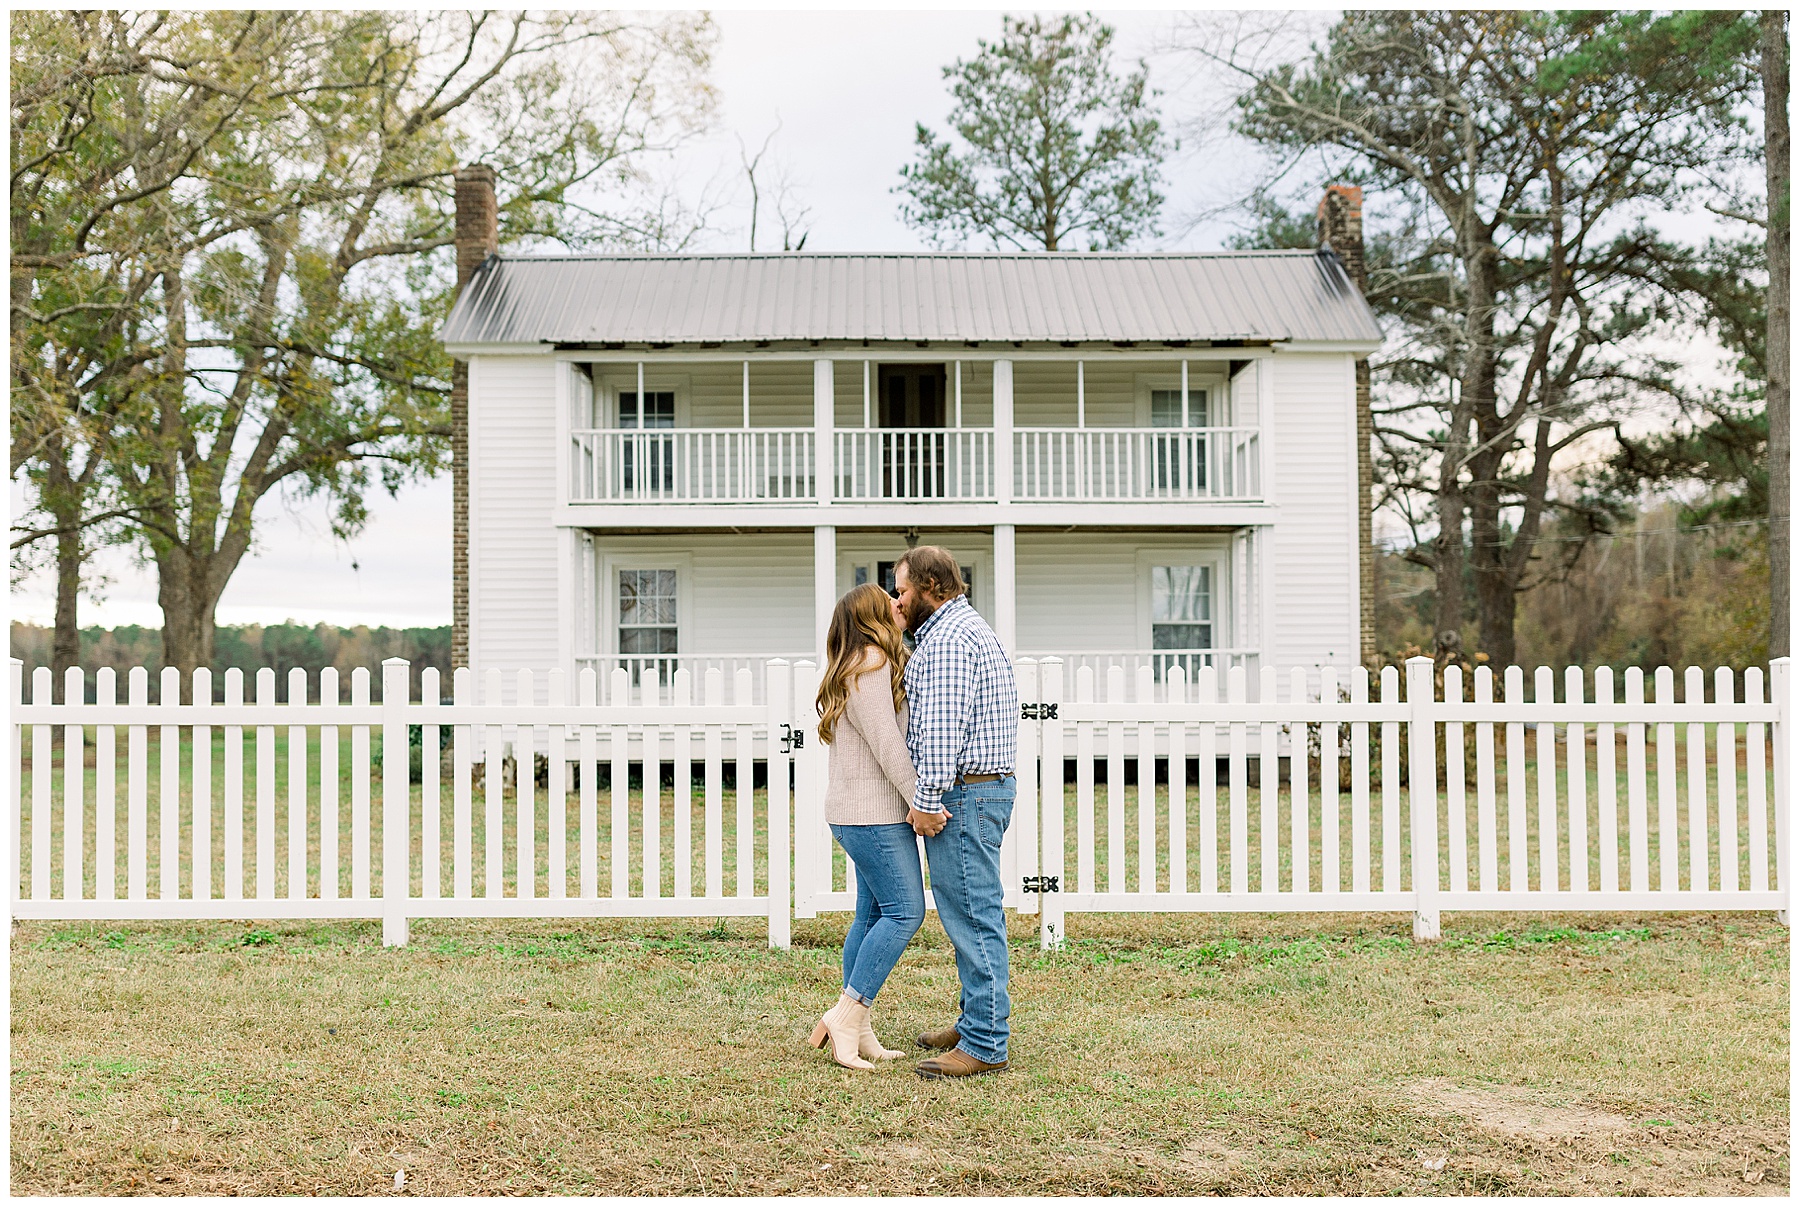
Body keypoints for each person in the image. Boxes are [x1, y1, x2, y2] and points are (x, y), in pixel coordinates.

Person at [892, 545, 1019, 1080]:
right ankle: (974, 1021)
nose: (897, 600)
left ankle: (985, 1043)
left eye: (902, 590)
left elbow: (943, 735)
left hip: (964, 795)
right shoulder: (963, 630)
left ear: (931, 587)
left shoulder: (946, 642)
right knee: (972, 910)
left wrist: (926, 804)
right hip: (979, 791)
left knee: (972, 915)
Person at [807, 583, 924, 1071]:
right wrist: (921, 800)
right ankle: (845, 1016)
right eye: (889, 601)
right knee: (905, 912)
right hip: (873, 815)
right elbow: (887, 745)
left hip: (855, 813)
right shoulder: (872, 663)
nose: (899, 604)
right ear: (872, 617)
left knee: (872, 916)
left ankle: (859, 1027)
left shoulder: (853, 665)